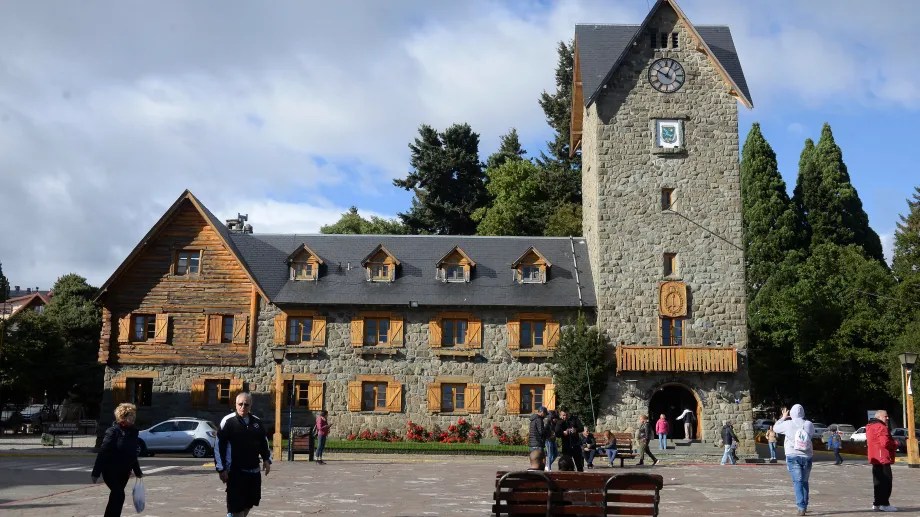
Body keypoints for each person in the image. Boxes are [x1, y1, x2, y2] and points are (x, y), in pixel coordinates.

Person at [216, 392, 272, 517]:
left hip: (253, 472)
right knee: (237, 507)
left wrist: (267, 459)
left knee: (250, 503)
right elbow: (218, 446)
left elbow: (264, 442)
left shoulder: (256, 422)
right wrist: (221, 469)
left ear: (250, 405)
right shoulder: (228, 421)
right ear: (235, 404)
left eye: (246, 404)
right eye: (240, 404)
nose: (243, 407)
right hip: (235, 472)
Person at [92, 403, 143, 517]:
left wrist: (137, 471)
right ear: (123, 417)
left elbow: (132, 454)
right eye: (131, 415)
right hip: (110, 471)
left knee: (116, 497)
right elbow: (103, 453)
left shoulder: (134, 432)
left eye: (134, 415)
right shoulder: (112, 432)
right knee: (119, 495)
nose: (133, 417)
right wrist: (96, 473)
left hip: (124, 472)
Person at [773, 404, 815, 516]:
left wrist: (783, 417)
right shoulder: (809, 424)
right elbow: (811, 436)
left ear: (791, 413)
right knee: (805, 482)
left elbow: (776, 428)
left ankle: (801, 507)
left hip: (793, 455)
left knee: (797, 482)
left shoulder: (788, 424)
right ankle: (804, 505)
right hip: (807, 456)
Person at [866, 410, 898, 512]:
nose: (887, 418)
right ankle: (885, 504)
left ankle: (877, 503)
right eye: (885, 416)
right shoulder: (881, 427)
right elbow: (885, 443)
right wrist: (896, 444)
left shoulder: (869, 426)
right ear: (879, 417)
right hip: (883, 457)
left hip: (874, 457)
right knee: (886, 482)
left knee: (877, 482)